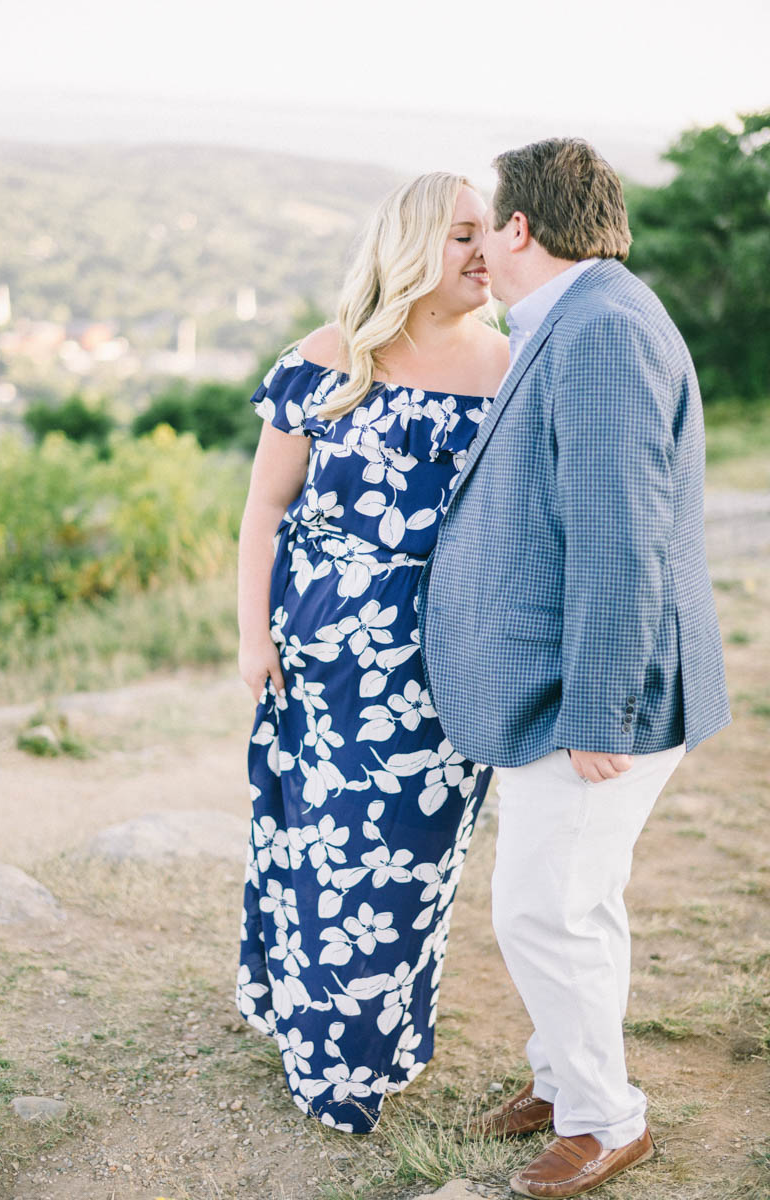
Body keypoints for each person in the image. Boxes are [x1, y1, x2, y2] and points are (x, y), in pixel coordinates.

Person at [418, 139, 730, 1197]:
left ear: (517, 229)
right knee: (571, 899)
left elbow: (619, 538)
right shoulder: (584, 314)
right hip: (573, 688)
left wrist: (601, 708)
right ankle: (559, 1077)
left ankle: (604, 1121)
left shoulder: (596, 333)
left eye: (483, 225)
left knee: (544, 910)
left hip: (595, 700)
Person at [236, 172, 509, 1132]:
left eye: (491, 235)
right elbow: (266, 508)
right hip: (324, 646)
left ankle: (383, 1035)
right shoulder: (328, 356)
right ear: (414, 247)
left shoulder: (506, 363)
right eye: (464, 236)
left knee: (417, 862)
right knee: (331, 850)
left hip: (448, 652)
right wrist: (252, 634)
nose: (488, 253)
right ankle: (330, 1062)